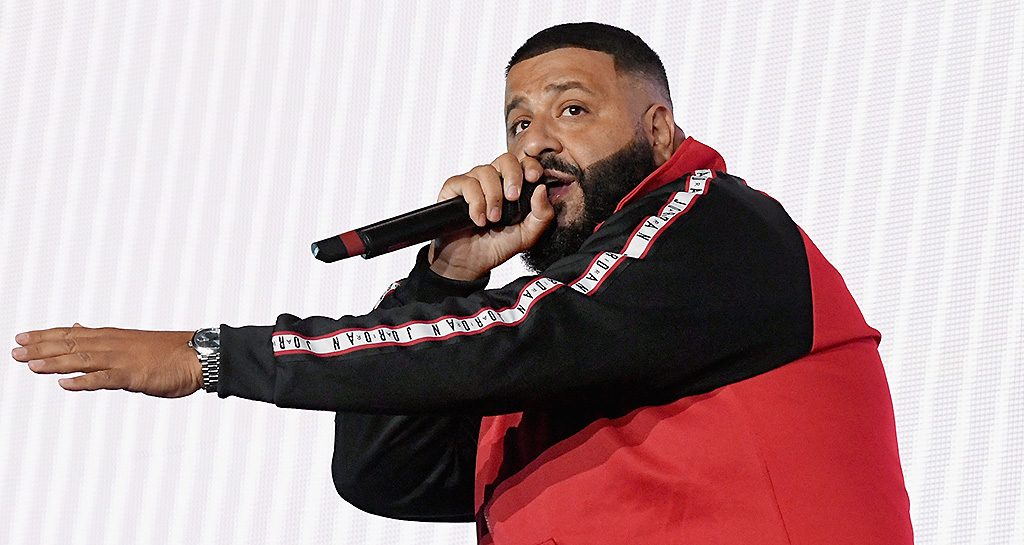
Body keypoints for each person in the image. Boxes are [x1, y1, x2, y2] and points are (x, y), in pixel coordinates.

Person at [11, 23, 913, 545]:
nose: (535, 142)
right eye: (518, 120)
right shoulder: (578, 347)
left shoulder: (712, 224)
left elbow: (523, 330)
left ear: (660, 130)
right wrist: (443, 272)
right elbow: (383, 472)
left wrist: (217, 357)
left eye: (571, 109)